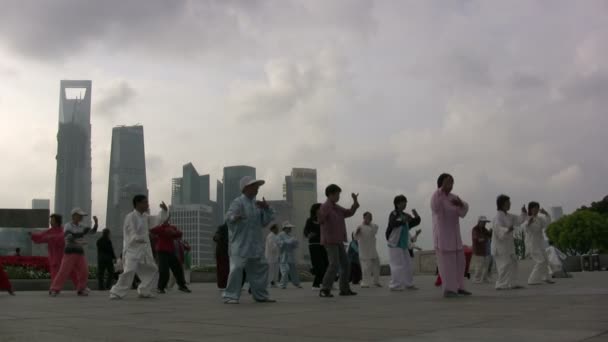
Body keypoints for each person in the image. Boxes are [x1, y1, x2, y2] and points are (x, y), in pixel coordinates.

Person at [222, 176, 276, 304]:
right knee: (237, 268)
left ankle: (261, 295)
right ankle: (231, 295)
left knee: (261, 267)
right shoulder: (238, 202)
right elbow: (229, 216)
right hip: (240, 243)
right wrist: (235, 217)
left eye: (257, 187)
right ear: (245, 188)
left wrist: (266, 208)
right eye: (254, 186)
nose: (257, 189)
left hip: (255, 244)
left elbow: (265, 222)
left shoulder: (257, 205)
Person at [109, 196, 168, 299]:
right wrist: (137, 238)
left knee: (152, 270)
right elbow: (131, 231)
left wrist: (164, 210)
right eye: (145, 202)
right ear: (137, 204)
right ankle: (116, 292)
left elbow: (157, 219)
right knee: (129, 271)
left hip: (144, 250)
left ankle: (144, 290)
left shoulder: (145, 217)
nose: (147, 205)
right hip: (132, 249)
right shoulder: (130, 217)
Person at [431, 173, 471, 298]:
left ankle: (459, 287)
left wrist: (460, 204)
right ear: (441, 183)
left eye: (452, 182)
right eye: (448, 182)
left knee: (460, 262)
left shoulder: (454, 197)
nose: (451, 184)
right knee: (447, 265)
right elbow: (435, 207)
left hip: (455, 236)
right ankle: (448, 289)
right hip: (443, 236)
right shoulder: (437, 196)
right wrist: (441, 190)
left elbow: (463, 211)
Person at [318, 184, 360, 298]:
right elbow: (320, 219)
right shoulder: (325, 206)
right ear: (330, 194)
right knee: (334, 264)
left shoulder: (336, 208)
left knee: (346, 264)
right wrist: (321, 214)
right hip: (329, 240)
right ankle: (325, 289)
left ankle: (344, 289)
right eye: (337, 194)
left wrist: (355, 202)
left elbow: (349, 212)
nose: (338, 197)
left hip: (338, 240)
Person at [50, 208, 98, 297]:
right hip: (70, 252)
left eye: (82, 216)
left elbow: (92, 232)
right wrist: (79, 242)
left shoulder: (82, 226)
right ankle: (54, 289)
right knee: (63, 271)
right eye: (79, 216)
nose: (81, 217)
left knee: (84, 271)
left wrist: (96, 223)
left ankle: (81, 289)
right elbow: (69, 237)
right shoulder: (68, 226)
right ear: (74, 216)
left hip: (80, 252)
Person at [492, 194, 527, 290]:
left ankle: (512, 283)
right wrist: (507, 230)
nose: (510, 204)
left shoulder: (509, 216)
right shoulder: (498, 217)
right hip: (500, 245)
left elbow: (519, 220)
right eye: (508, 202)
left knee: (513, 263)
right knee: (505, 264)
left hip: (509, 245)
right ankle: (500, 284)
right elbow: (498, 228)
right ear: (502, 204)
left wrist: (523, 213)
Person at [387, 195, 421, 291]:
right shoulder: (393, 214)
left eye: (406, 202)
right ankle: (395, 285)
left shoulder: (406, 215)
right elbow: (392, 223)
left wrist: (417, 216)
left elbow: (413, 222)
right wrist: (402, 221)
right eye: (403, 202)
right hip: (394, 243)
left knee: (408, 264)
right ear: (397, 204)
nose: (405, 204)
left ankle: (408, 284)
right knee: (397, 265)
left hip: (404, 244)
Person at [150, 221, 191, 294]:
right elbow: (152, 230)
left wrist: (172, 232)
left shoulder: (172, 227)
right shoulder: (159, 228)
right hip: (161, 252)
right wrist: (164, 229)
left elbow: (179, 234)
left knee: (178, 268)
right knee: (164, 270)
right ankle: (160, 287)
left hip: (171, 251)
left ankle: (182, 285)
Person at [30, 214, 73, 283]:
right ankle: (54, 288)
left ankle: (80, 287)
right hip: (54, 257)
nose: (50, 222)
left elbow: (62, 238)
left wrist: (51, 238)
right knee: (54, 273)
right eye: (50, 220)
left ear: (57, 221)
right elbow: (41, 236)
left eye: (52, 220)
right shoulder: (49, 231)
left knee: (71, 272)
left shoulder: (63, 231)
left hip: (64, 256)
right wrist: (32, 235)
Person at [524, 202, 554, 285]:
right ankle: (532, 280)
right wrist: (528, 223)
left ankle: (546, 277)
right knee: (540, 261)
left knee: (545, 260)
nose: (536, 210)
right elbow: (525, 228)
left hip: (540, 242)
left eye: (537, 208)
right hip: (532, 244)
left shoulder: (540, 218)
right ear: (530, 209)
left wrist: (546, 214)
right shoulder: (528, 218)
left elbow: (547, 224)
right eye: (534, 208)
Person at [304, 203, 328, 291]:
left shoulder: (324, 219)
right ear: (315, 210)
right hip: (314, 245)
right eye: (320, 208)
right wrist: (309, 234)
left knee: (327, 264)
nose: (321, 210)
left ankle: (326, 283)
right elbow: (305, 231)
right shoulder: (310, 220)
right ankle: (316, 284)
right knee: (319, 265)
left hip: (324, 244)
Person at [355, 212, 381, 288]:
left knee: (377, 264)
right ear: (364, 218)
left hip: (372, 249)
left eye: (370, 217)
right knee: (366, 267)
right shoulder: (360, 227)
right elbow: (356, 237)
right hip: (364, 250)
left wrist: (370, 225)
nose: (369, 218)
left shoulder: (373, 226)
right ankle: (365, 283)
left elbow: (375, 230)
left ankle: (376, 281)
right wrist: (357, 232)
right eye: (367, 217)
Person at [277, 222, 302, 289]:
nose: (290, 229)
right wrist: (289, 241)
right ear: (284, 228)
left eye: (290, 228)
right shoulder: (280, 235)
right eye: (289, 228)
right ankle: (282, 284)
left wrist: (295, 242)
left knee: (293, 270)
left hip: (290, 254)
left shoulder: (290, 235)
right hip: (283, 255)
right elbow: (280, 244)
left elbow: (294, 245)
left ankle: (296, 283)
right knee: (285, 270)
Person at [471, 216, 492, 284]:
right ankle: (476, 279)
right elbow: (478, 239)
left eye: (485, 222)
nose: (484, 223)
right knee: (479, 266)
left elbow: (489, 236)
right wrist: (486, 238)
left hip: (486, 250)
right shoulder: (475, 229)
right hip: (478, 251)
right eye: (483, 222)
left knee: (486, 265)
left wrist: (491, 232)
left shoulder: (484, 229)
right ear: (479, 222)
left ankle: (484, 278)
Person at [213, 224, 230, 289]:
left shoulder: (232, 227)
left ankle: (224, 284)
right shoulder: (223, 227)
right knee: (223, 269)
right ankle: (223, 284)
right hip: (222, 252)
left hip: (225, 252)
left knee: (225, 269)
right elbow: (215, 238)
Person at [265, 223, 280, 288]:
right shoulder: (270, 236)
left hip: (275, 256)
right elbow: (272, 247)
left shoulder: (275, 236)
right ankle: (269, 283)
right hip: (270, 256)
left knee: (275, 270)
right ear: (273, 229)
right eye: (277, 229)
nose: (278, 230)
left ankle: (274, 282)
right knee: (271, 270)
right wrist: (278, 244)